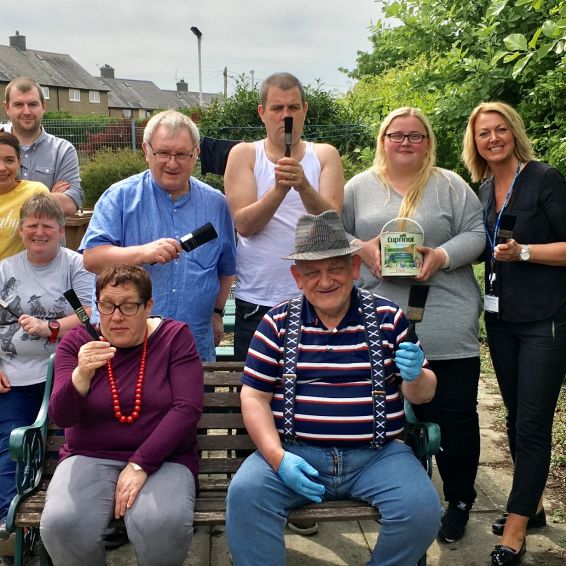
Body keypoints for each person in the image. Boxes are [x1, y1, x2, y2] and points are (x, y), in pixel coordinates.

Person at [225, 210, 442, 566]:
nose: (324, 281)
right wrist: (278, 459)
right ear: (297, 277)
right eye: (312, 272)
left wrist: (416, 373)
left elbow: (422, 394)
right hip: (297, 454)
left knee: (421, 510)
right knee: (246, 496)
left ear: (355, 268)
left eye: (335, 269)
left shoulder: (390, 318)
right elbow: (253, 397)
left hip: (377, 456)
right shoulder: (276, 323)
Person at [341, 107, 485, 544]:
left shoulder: (450, 184)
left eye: (415, 136)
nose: (405, 142)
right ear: (382, 139)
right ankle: (396, 496)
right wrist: (363, 249)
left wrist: (440, 256)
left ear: (428, 142)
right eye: (396, 135)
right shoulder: (357, 188)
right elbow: (335, 232)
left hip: (444, 318)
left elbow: (477, 234)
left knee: (455, 418)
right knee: (382, 418)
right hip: (378, 320)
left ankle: (459, 499)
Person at [40, 264, 203, 566]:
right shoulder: (77, 342)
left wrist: (141, 463)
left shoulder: (174, 338)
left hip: (165, 457)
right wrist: (82, 374)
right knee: (62, 524)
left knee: (161, 522)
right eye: (107, 305)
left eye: (129, 306)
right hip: (89, 453)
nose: (116, 316)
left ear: (148, 306)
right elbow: (62, 417)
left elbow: (187, 408)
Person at [463, 102, 566, 566]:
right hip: (500, 322)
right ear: (475, 141)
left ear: (513, 132)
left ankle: (517, 530)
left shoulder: (544, 178)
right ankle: (536, 506)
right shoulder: (483, 189)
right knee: (513, 415)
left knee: (531, 423)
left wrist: (524, 252)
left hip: (545, 320)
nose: (493, 138)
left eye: (500, 129)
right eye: (484, 133)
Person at [81, 110, 236, 362]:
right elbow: (92, 259)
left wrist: (217, 313)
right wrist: (142, 253)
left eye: (182, 154)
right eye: (163, 153)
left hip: (192, 342)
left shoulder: (217, 205)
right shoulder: (119, 197)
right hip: (126, 342)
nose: (172, 163)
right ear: (146, 151)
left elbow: (226, 268)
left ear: (196, 153)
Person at [224, 72, 344, 362]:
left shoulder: (325, 155)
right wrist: (279, 189)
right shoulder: (245, 154)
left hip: (318, 297)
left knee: (314, 390)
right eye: (277, 108)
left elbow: (331, 223)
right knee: (256, 391)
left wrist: (303, 185)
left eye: (293, 107)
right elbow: (244, 224)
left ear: (305, 110)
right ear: (262, 113)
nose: (285, 116)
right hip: (258, 300)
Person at [0, 193, 93, 543]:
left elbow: (88, 315)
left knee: (64, 451)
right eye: (32, 225)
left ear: (61, 229)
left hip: (65, 376)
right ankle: (11, 530)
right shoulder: (4, 270)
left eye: (47, 225)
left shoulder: (75, 265)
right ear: (21, 229)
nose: (40, 232)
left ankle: (62, 524)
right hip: (14, 377)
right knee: (11, 448)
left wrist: (51, 328)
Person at [3, 77, 83, 215]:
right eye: (18, 105)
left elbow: (70, 203)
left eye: (33, 104)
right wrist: (46, 196)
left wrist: (7, 201)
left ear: (43, 106)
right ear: (7, 108)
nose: (26, 111)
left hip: (46, 237)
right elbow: (59, 204)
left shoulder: (63, 150)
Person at [0, 131, 49, 260]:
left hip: (20, 277)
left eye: (9, 160)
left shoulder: (35, 192)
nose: (2, 168)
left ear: (19, 162)